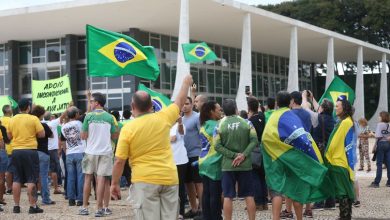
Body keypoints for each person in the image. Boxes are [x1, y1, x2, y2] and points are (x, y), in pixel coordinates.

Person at [111, 74, 193, 220]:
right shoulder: (163, 117)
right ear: (151, 106)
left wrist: (115, 183)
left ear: (132, 107)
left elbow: (119, 161)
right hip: (169, 178)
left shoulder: (128, 129)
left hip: (145, 180)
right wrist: (186, 82)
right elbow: (180, 102)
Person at [262, 91, 328, 220]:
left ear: (276, 103)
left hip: (277, 160)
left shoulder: (272, 118)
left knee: (277, 192)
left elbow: (265, 140)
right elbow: (302, 137)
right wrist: (311, 156)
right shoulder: (291, 116)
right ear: (290, 102)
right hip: (294, 159)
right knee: (297, 192)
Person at [215, 99, 258, 220]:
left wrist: (234, 156)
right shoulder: (247, 123)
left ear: (224, 110)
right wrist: (243, 155)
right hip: (245, 164)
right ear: (236, 109)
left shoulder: (219, 125)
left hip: (228, 165)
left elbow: (217, 145)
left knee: (228, 196)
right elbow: (254, 140)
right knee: (249, 195)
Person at [80, 92, 118, 217]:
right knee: (103, 180)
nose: (90, 103)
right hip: (106, 152)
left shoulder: (88, 117)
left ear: (97, 103)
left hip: (90, 151)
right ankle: (100, 209)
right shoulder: (110, 117)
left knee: (87, 179)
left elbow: (83, 136)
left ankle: (85, 207)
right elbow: (114, 136)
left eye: (91, 101)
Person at [8, 98, 45, 214]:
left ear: (19, 108)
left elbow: (9, 136)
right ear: (28, 108)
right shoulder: (33, 118)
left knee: (17, 179)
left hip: (16, 151)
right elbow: (42, 134)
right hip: (30, 151)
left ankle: (16, 206)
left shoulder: (12, 120)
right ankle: (32, 206)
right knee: (31, 179)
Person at [280, 91, 313, 219]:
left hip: (292, 152)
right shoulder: (307, 114)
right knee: (306, 180)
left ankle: (288, 210)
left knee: (289, 181)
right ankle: (308, 209)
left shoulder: (288, 114)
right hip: (307, 150)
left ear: (292, 100)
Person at [302, 93, 336, 210]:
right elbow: (318, 109)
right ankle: (331, 202)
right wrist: (313, 98)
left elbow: (306, 108)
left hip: (319, 150)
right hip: (329, 150)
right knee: (328, 175)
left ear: (323, 108)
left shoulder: (317, 118)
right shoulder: (332, 119)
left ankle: (319, 202)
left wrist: (304, 98)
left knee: (319, 174)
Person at [325, 95, 357, 220]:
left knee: (342, 192)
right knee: (345, 192)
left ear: (344, 108)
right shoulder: (348, 121)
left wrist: (327, 156)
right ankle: (345, 215)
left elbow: (334, 143)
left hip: (338, 162)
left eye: (337, 106)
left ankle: (344, 217)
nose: (335, 108)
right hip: (343, 162)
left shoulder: (344, 123)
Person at [198, 101, 223, 220]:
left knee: (206, 193)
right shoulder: (217, 126)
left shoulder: (204, 125)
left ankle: (206, 217)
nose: (221, 111)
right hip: (214, 162)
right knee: (215, 194)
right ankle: (216, 217)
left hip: (203, 162)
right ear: (212, 112)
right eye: (219, 109)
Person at [182, 97, 203, 218]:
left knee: (198, 182)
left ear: (191, 105)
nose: (184, 106)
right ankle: (194, 208)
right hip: (184, 155)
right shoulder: (181, 119)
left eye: (187, 104)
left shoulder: (197, 117)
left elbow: (202, 134)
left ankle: (202, 208)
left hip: (196, 154)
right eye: (183, 104)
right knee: (188, 183)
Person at [31, 105, 55, 206]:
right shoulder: (44, 125)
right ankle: (46, 199)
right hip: (43, 153)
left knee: (33, 177)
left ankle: (33, 200)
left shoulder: (30, 125)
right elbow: (52, 135)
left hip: (32, 152)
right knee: (44, 177)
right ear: (41, 115)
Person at [61, 106, 86, 206]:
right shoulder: (80, 123)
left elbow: (62, 141)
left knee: (70, 177)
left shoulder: (63, 127)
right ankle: (80, 199)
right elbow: (87, 112)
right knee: (81, 177)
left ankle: (71, 199)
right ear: (76, 115)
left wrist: (65, 152)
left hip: (69, 154)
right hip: (80, 152)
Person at [246, 97, 268, 211]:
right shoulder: (262, 117)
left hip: (254, 150)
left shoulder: (250, 121)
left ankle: (258, 202)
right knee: (262, 176)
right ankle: (264, 202)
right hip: (263, 150)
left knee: (254, 176)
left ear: (249, 108)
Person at [169, 116, 187, 220]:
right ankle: (171, 211)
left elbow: (181, 132)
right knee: (170, 188)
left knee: (180, 187)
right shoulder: (165, 126)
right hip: (168, 161)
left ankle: (181, 212)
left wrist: (180, 123)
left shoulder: (180, 125)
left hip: (180, 160)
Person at [43, 111, 63, 195]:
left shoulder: (41, 123)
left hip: (43, 149)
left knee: (43, 170)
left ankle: (42, 189)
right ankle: (56, 188)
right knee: (54, 169)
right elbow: (62, 117)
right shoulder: (53, 123)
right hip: (52, 149)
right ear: (51, 117)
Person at [370, 111, 390, 188]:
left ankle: (376, 182)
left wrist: (372, 134)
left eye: (379, 116)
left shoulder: (380, 124)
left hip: (381, 144)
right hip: (388, 144)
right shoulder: (388, 124)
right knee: (388, 163)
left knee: (379, 164)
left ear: (382, 117)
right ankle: (389, 182)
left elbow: (378, 136)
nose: (378, 117)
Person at [1, 105, 14, 195]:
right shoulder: (12, 120)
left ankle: (4, 188)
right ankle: (9, 188)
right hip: (11, 147)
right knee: (10, 169)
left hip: (3, 148)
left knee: (3, 170)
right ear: (9, 111)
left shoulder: (1, 120)